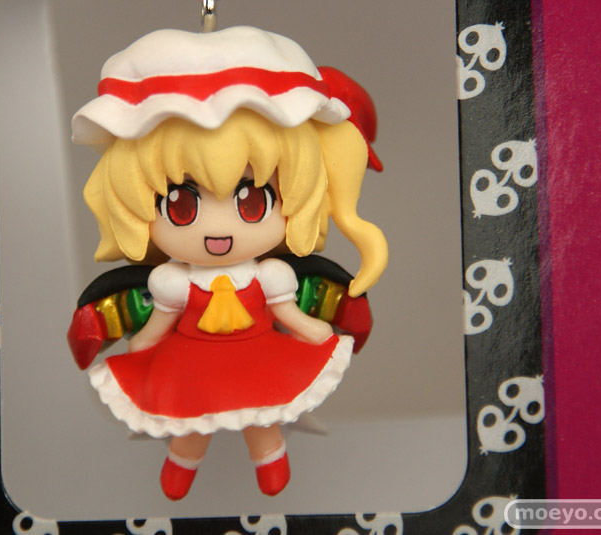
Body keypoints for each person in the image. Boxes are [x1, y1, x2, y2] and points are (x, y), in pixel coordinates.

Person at [71, 26, 387, 500]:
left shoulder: (272, 275)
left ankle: (271, 459)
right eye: (181, 205)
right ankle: (182, 464)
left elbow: (287, 313)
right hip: (189, 364)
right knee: (189, 421)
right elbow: (157, 325)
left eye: (253, 202)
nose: (217, 230)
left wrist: (313, 329)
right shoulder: (172, 282)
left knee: (263, 414)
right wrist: (141, 349)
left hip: (260, 357)